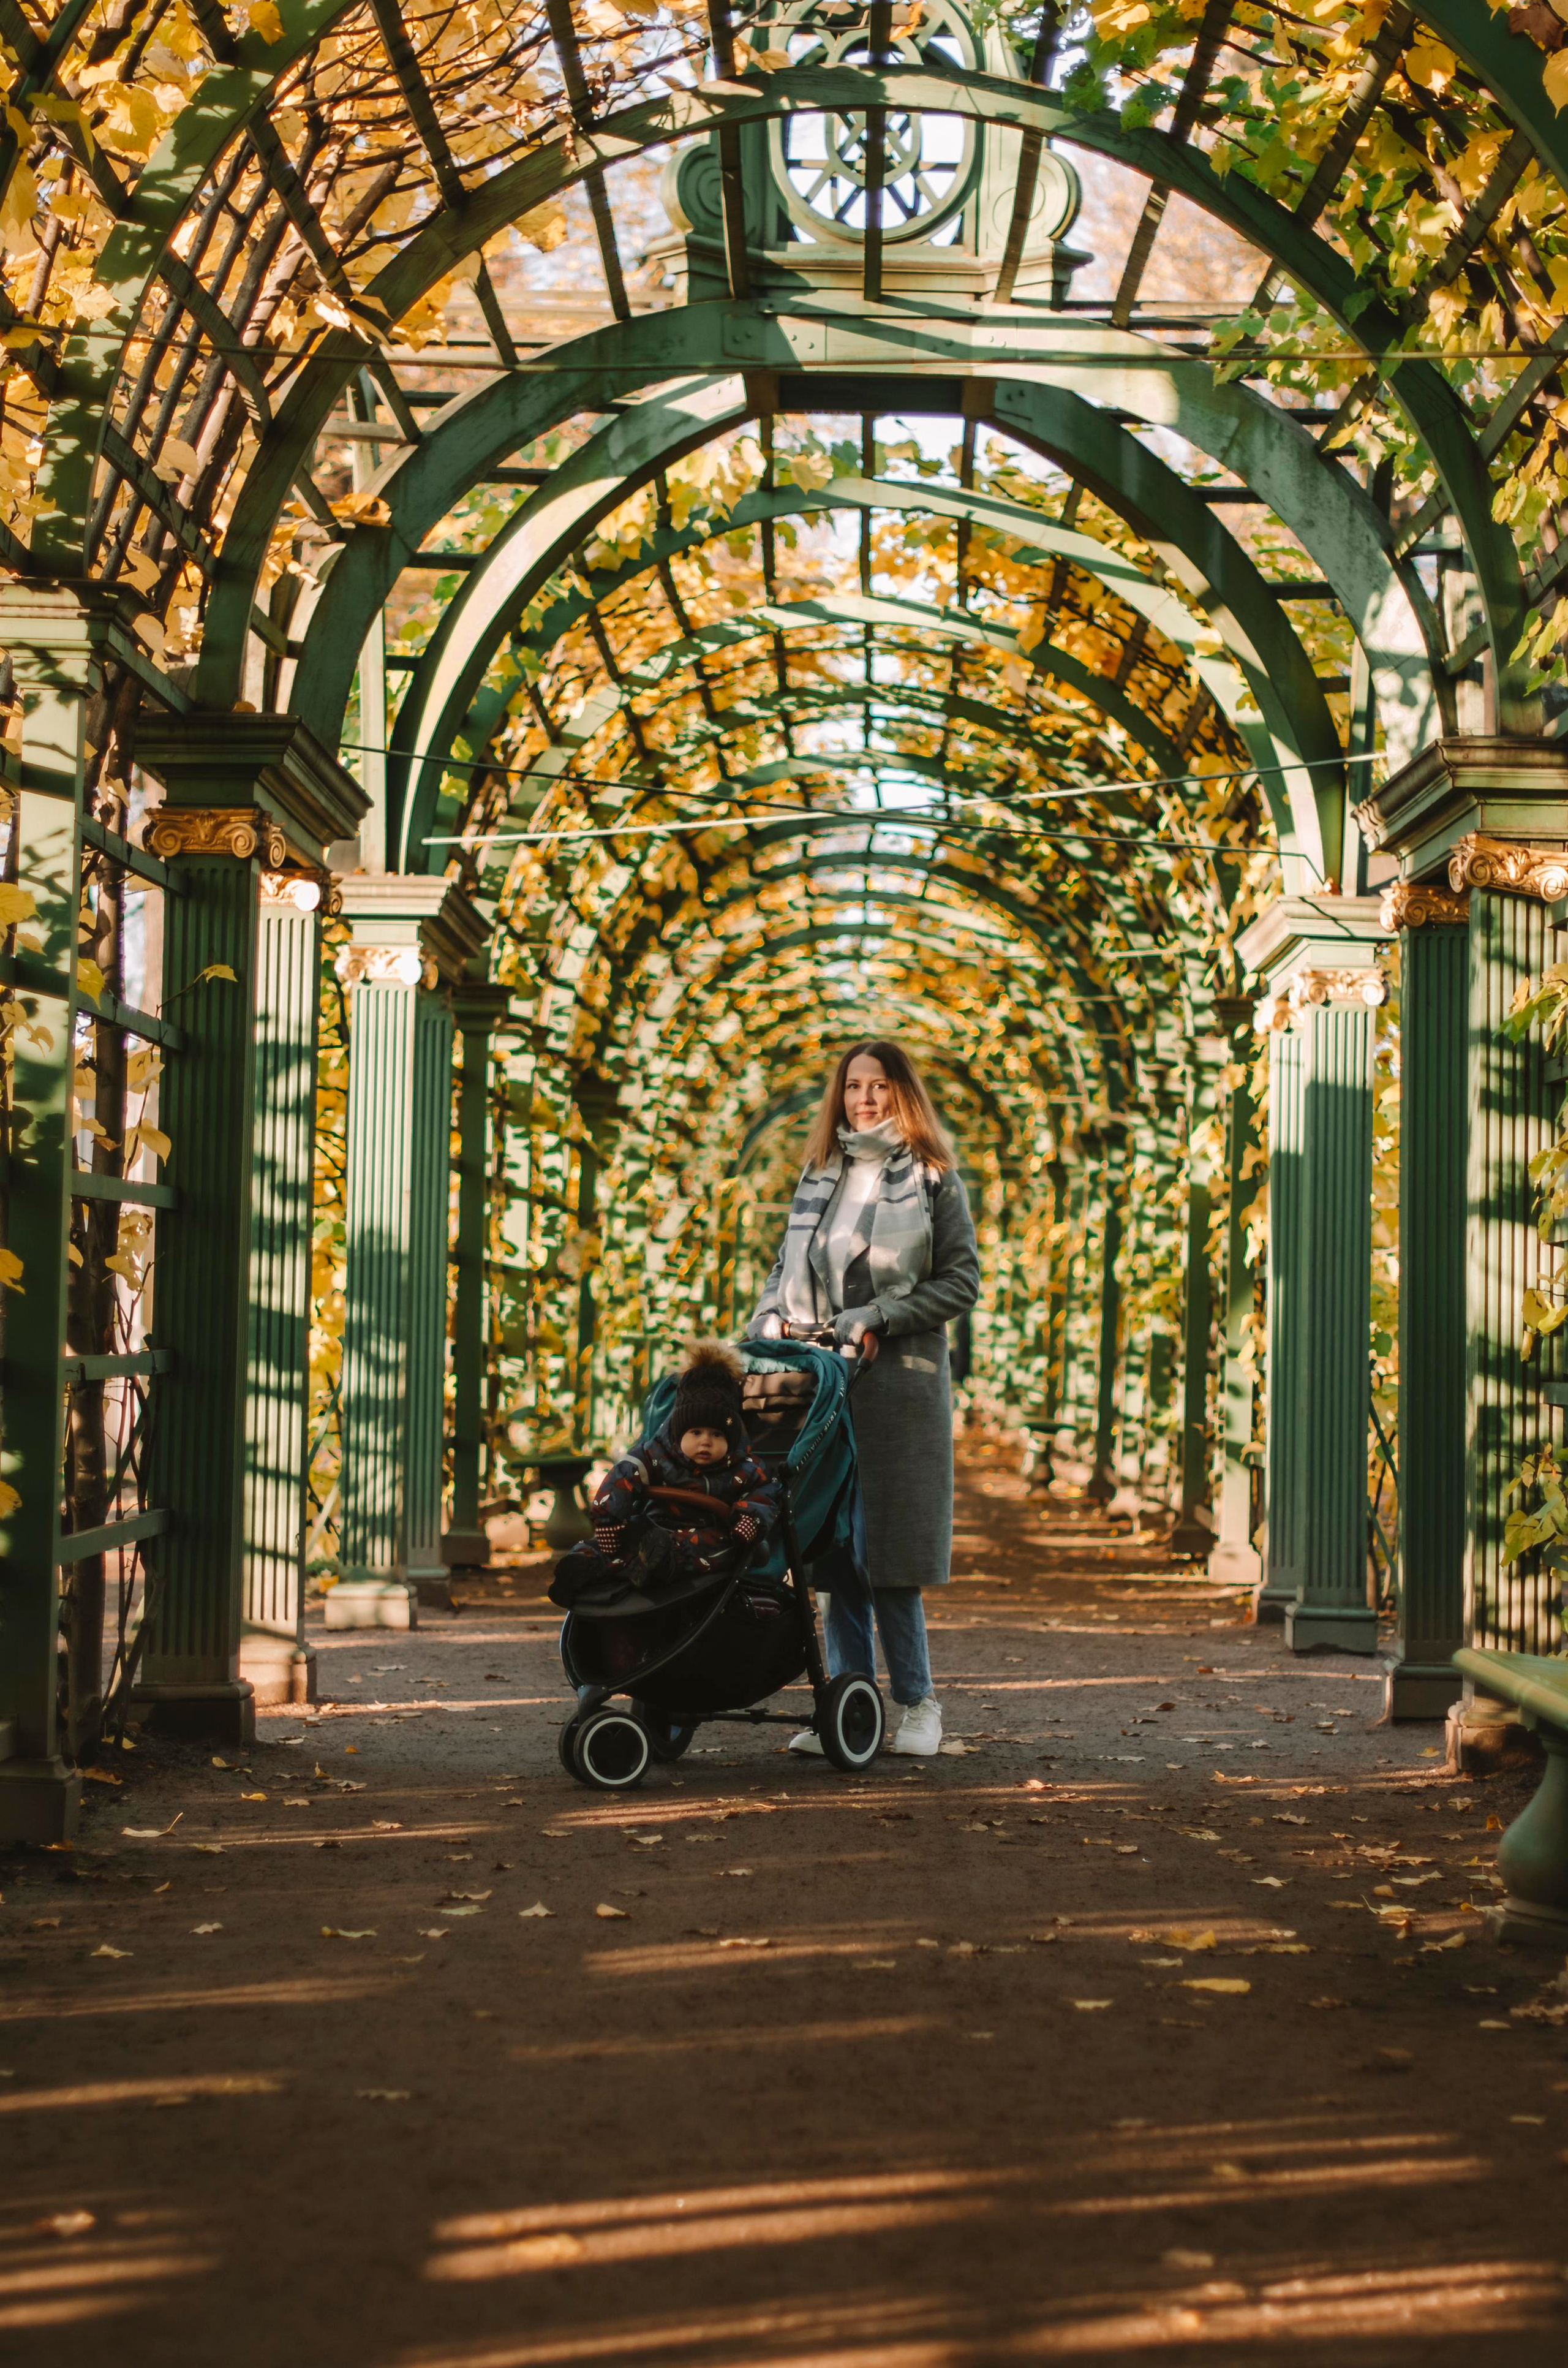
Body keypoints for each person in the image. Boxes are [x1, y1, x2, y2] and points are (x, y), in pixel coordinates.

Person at [749, 1040, 979, 1755]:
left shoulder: (935, 1179)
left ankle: (918, 1705)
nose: (866, 1099)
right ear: (840, 1096)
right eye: (854, 1087)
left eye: (880, 1086)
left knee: (888, 1555)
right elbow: (783, 1269)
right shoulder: (820, 1175)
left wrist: (881, 1315)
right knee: (829, 1551)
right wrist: (765, 1320)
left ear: (902, 1093)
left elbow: (960, 1282)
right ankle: (848, 1708)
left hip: (897, 1389)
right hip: (822, 1383)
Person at [587, 1339, 781, 1583]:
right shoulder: (655, 1455)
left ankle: (664, 1562)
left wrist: (749, 1518)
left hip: (705, 1534)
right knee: (622, 1538)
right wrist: (608, 1519)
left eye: (717, 1434)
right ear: (679, 1433)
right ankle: (585, 1564)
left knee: (724, 1547)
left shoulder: (746, 1468)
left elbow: (765, 1494)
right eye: (696, 1433)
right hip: (653, 1527)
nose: (706, 1442)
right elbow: (623, 1474)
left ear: (731, 1438)